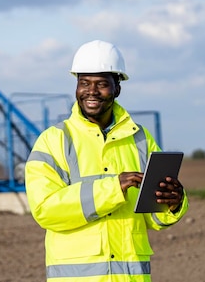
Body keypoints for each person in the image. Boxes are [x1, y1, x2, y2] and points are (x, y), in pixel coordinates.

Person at [25, 39, 188, 282]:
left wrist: (173, 203)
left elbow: (153, 217)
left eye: (101, 84)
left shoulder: (140, 139)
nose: (91, 91)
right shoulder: (53, 141)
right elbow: (45, 210)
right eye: (84, 83)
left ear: (117, 88)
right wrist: (113, 188)